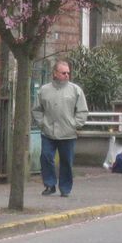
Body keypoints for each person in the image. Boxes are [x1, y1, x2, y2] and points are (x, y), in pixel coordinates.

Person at [32, 59, 88, 197]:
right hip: (48, 132)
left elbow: (82, 110)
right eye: (63, 73)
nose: (67, 75)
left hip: (68, 133)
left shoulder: (75, 90)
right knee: (46, 157)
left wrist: (75, 124)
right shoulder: (44, 90)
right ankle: (50, 184)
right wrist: (42, 124)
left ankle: (65, 188)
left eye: (68, 73)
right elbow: (37, 109)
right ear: (55, 73)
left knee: (66, 161)